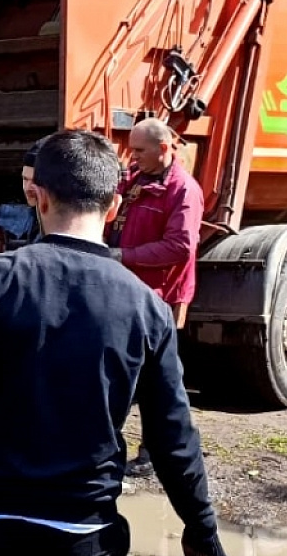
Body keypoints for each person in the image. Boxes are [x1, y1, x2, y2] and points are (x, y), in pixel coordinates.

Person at [0, 130, 226, 556]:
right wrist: (201, 528)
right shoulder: (149, 308)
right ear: (114, 208)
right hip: (83, 530)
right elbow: (172, 437)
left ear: (40, 197)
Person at [107, 117, 205, 478]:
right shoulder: (135, 179)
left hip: (160, 296)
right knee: (142, 371)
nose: (131, 157)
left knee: (152, 375)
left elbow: (180, 247)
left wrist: (123, 256)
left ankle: (156, 452)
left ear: (164, 149)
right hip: (130, 289)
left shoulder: (183, 190)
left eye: (139, 150)